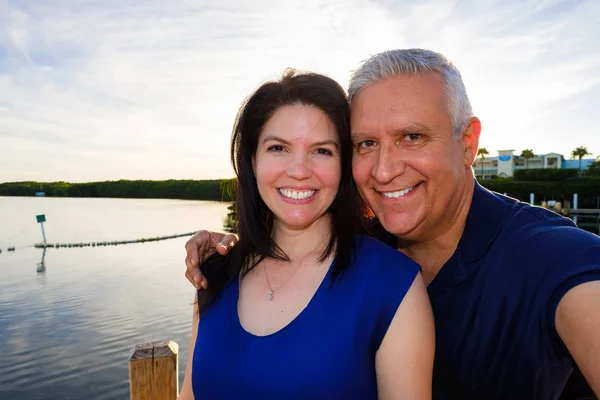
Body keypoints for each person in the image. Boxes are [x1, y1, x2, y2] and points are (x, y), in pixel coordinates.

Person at [184, 49, 600, 399]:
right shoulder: (365, 241)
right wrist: (232, 249)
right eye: (366, 143)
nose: (383, 171)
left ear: (468, 143)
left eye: (412, 137)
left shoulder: (552, 257)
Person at [177, 69, 435, 400]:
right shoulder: (215, 272)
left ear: (344, 164)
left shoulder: (392, 287)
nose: (299, 171)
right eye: (278, 148)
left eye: (322, 151)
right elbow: (190, 394)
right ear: (253, 160)